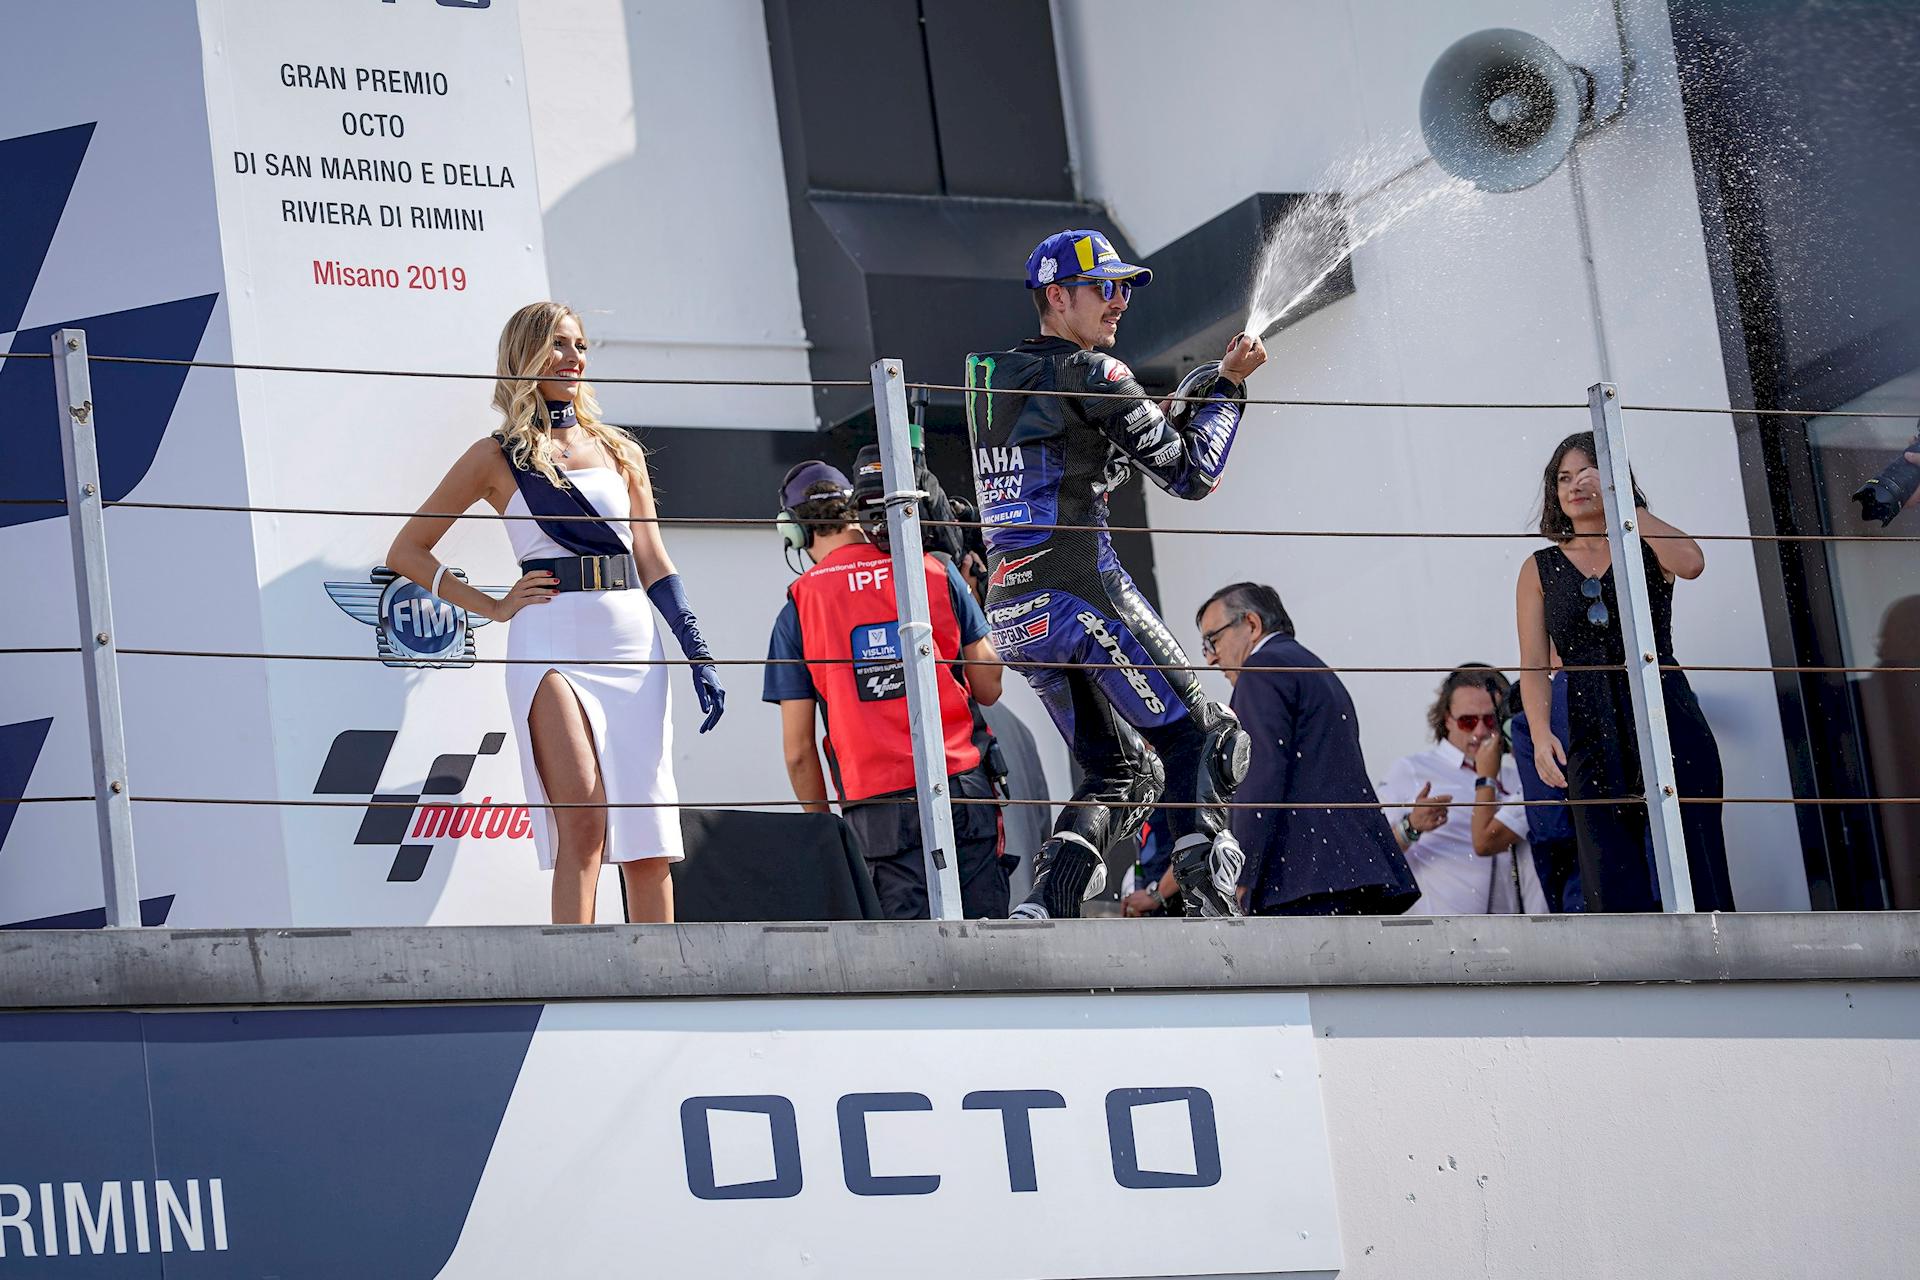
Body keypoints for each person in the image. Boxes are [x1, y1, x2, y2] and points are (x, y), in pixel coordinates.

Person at [386, 301, 724, 925]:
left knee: (649, 843)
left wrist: (697, 650)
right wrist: (491, 605)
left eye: (582, 346)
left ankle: (663, 993)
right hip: (551, 644)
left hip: (632, 642)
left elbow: (653, 558)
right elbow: (406, 550)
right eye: (560, 345)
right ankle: (580, 991)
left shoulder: (619, 450)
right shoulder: (494, 457)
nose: (574, 358)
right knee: (586, 825)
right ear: (528, 356)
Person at [965, 229, 1268, 919]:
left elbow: (1063, 460)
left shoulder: (987, 379)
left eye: (1124, 287)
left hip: (1015, 614)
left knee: (1121, 771)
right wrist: (1228, 390)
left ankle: (1047, 904)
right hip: (1081, 594)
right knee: (1206, 739)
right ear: (1056, 296)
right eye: (1104, 287)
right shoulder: (1097, 374)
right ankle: (1211, 901)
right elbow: (1192, 476)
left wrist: (1139, 423)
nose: (1119, 302)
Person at [763, 463, 1010, 919]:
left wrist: (826, 833)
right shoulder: (932, 569)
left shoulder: (799, 606)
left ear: (794, 531)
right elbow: (989, 685)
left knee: (912, 969)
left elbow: (799, 752)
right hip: (963, 793)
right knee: (987, 949)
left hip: (876, 816)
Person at [1515, 431, 1736, 912]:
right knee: (1608, 871)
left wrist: (1624, 504)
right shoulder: (1539, 568)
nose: (1574, 487)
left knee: (1697, 856)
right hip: (1590, 722)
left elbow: (1693, 563)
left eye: (1587, 475)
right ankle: (1637, 982)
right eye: (1564, 478)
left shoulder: (1645, 545)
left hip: (1665, 707)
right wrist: (1539, 734)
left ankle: (1722, 974)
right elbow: (1533, 666)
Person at [1189, 582, 1418, 916]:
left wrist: (1241, 873)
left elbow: (1258, 775)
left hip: (1300, 878)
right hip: (1353, 872)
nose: (1210, 657)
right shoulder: (1316, 669)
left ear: (1252, 625)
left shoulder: (1261, 670)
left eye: (1213, 639)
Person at [1380, 666, 1547, 915]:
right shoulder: (1411, 770)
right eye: (1468, 721)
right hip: (1442, 938)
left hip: (1510, 937)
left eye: (1490, 720)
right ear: (1447, 719)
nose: (1480, 732)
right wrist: (1411, 827)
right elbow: (1374, 852)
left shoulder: (1517, 776)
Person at [1503, 672, 1582, 911]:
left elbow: (1551, 829)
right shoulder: (1648, 691)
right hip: (1668, 873)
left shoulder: (1530, 726)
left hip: (1583, 886)